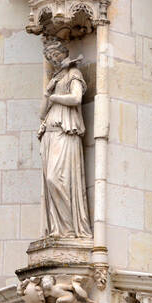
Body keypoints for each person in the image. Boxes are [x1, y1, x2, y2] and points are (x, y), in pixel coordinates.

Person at [38, 38, 92, 239]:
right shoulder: (54, 78)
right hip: (49, 132)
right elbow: (42, 114)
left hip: (66, 130)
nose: (53, 58)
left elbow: (76, 98)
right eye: (50, 56)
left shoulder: (73, 73)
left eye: (55, 54)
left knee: (56, 178)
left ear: (63, 53)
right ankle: (56, 229)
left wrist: (54, 97)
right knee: (49, 180)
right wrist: (47, 92)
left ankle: (68, 229)